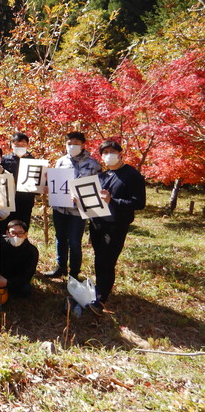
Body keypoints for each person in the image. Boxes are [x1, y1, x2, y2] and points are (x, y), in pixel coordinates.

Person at [87, 140, 146, 315]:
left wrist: (112, 200)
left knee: (108, 260)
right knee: (99, 258)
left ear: (121, 154)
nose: (108, 155)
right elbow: (94, 200)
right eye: (104, 152)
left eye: (112, 151)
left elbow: (139, 203)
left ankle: (102, 298)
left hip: (116, 225)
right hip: (98, 224)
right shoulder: (102, 176)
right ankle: (99, 290)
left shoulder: (131, 175)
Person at [46, 131, 102, 279]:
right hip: (60, 208)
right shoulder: (60, 161)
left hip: (79, 211)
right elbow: (56, 182)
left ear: (83, 145)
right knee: (60, 238)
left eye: (76, 143)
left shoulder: (93, 164)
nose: (72, 146)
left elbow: (98, 187)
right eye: (69, 143)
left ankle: (74, 273)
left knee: (75, 242)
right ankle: (60, 267)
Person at [1, 132, 37, 229]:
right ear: (11, 145)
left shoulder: (33, 161)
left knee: (23, 226)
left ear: (27, 145)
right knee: (6, 227)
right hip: (8, 200)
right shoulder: (4, 160)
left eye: (23, 145)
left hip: (26, 200)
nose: (20, 147)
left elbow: (38, 181)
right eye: (17, 145)